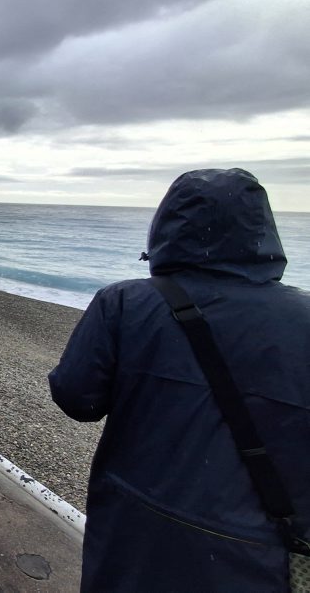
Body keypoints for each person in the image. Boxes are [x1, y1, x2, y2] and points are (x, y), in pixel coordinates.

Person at [48, 168, 310, 592]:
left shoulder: (126, 302)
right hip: (261, 549)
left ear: (167, 225)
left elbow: (77, 398)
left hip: (138, 524)